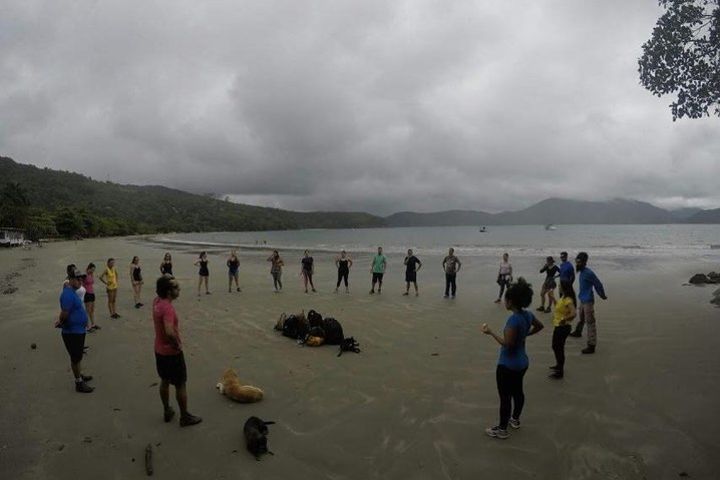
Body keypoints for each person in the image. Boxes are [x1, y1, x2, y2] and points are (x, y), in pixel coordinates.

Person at [481, 278, 544, 439]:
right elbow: (539, 326)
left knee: (505, 397)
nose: (504, 302)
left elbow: (507, 344)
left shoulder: (513, 319)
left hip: (508, 365)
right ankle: (515, 420)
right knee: (518, 392)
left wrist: (490, 332)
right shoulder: (528, 315)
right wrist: (524, 335)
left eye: (506, 299)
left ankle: (502, 429)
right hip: (522, 362)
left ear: (511, 301)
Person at [152, 275, 202, 427]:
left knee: (165, 380)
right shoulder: (168, 308)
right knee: (180, 384)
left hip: (159, 350)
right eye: (176, 287)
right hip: (171, 353)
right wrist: (177, 344)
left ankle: (167, 410)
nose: (179, 289)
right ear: (168, 292)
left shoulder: (157, 301)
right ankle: (184, 416)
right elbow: (169, 331)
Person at [56, 267, 94, 393]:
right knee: (75, 357)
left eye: (81, 279)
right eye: (78, 279)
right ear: (71, 279)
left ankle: (80, 375)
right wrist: (60, 322)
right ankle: (78, 382)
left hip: (78, 330)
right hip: (72, 332)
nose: (80, 282)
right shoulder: (67, 294)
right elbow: (64, 313)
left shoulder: (72, 291)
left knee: (78, 356)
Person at [568, 252, 607, 354]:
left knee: (590, 322)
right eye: (576, 261)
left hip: (588, 301)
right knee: (581, 318)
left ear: (584, 262)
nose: (577, 263)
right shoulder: (582, 272)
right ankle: (578, 332)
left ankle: (591, 345)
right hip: (582, 299)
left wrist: (602, 295)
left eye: (579, 262)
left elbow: (598, 284)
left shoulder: (589, 273)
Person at [549, 281, 576, 379]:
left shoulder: (568, 299)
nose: (558, 288)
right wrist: (552, 297)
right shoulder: (563, 298)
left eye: (560, 286)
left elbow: (573, 313)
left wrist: (564, 320)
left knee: (558, 348)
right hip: (559, 326)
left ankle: (560, 371)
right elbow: (558, 307)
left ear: (564, 288)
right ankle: (558, 366)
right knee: (556, 347)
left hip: (563, 327)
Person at [83, 263, 99, 332]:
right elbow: (81, 284)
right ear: (88, 268)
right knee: (87, 310)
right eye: (92, 270)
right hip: (87, 293)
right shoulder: (85, 275)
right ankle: (87, 326)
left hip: (92, 293)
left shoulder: (91, 274)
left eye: (93, 270)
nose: (93, 271)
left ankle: (93, 324)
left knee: (92, 310)